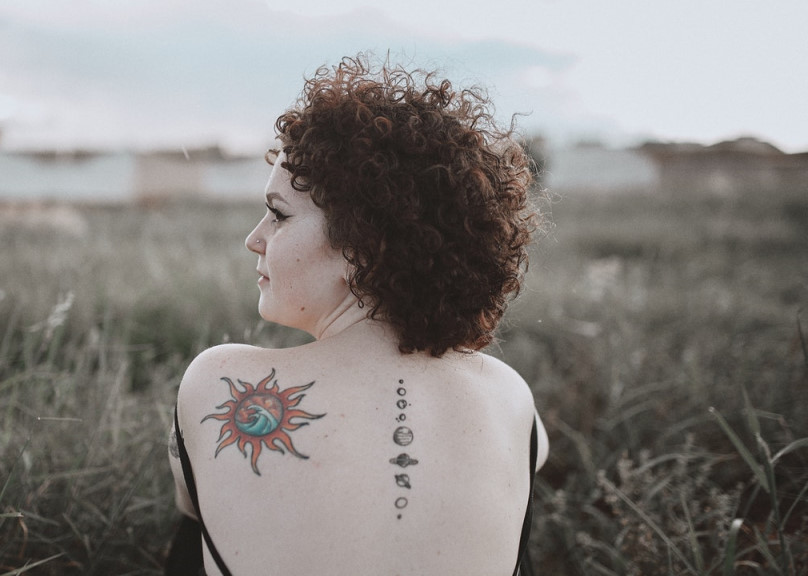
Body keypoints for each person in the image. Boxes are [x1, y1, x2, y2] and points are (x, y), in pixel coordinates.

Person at [167, 53, 549, 576]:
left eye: (278, 215)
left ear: (361, 248)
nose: (253, 239)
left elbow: (194, 505)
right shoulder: (510, 397)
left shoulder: (217, 380)